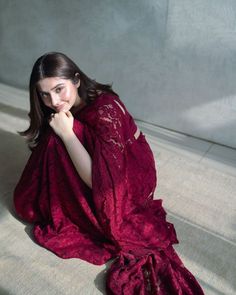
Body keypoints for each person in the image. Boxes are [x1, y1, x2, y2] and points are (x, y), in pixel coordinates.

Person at [13, 52, 205, 294]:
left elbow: (101, 183)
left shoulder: (105, 109)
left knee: (58, 135)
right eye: (45, 94)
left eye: (60, 89)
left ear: (76, 80)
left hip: (128, 179)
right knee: (35, 183)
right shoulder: (65, 107)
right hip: (104, 170)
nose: (54, 100)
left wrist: (67, 134)